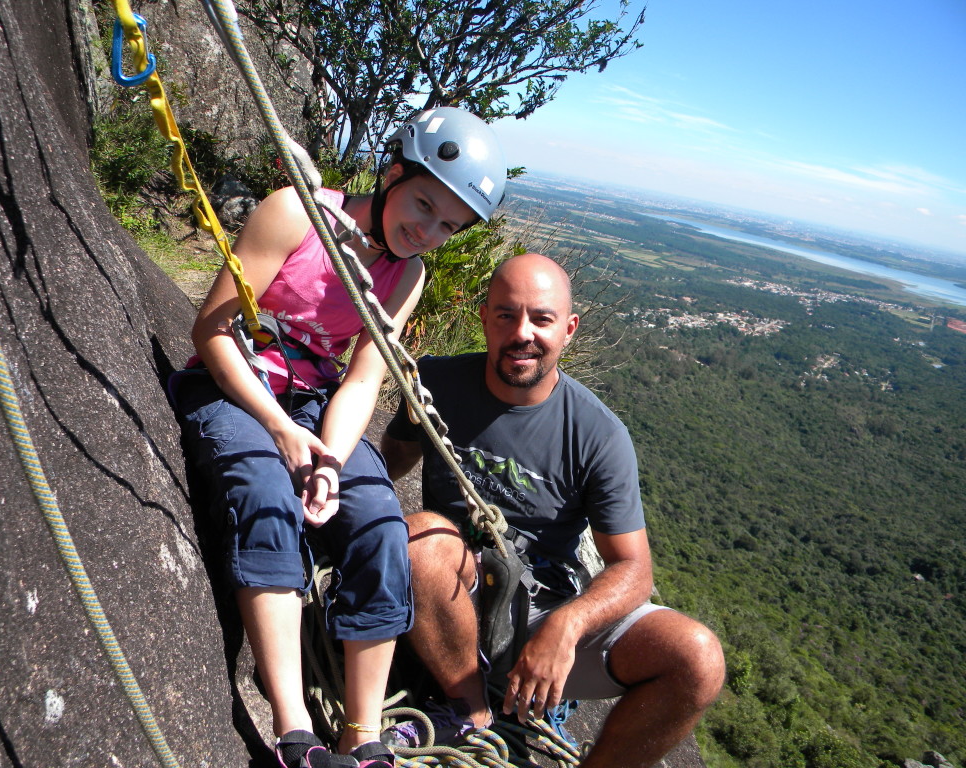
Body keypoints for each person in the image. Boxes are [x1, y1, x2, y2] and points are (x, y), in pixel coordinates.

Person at [171, 107, 506, 768]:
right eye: (423, 204)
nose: (428, 231)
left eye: (449, 225)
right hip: (236, 382)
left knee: (381, 524)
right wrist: (279, 431)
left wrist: (329, 455)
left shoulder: (405, 278)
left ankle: (362, 736)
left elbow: (360, 383)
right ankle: (294, 730)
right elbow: (210, 330)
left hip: (319, 406)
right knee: (266, 498)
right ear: (392, 172)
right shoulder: (296, 215)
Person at [380, 253, 726, 768]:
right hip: (451, 592)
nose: (523, 333)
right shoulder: (436, 383)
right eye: (506, 315)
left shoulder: (598, 435)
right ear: (484, 318)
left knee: (697, 659)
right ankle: (469, 712)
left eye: (541, 319)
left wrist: (567, 626)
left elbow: (634, 569)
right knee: (423, 537)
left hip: (541, 613)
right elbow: (392, 461)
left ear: (568, 329)